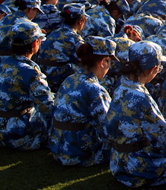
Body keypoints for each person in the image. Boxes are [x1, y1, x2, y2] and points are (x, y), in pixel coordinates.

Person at [104, 41, 166, 187]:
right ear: (152, 69)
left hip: (118, 161)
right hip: (136, 167)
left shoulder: (122, 85)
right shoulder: (139, 96)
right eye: (159, 68)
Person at [49, 36, 117, 167]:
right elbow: (108, 128)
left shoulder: (70, 79)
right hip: (79, 154)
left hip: (58, 147)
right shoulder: (95, 89)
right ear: (103, 62)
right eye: (110, 62)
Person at [0, 20, 54, 151]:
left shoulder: (5, 63)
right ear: (35, 43)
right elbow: (48, 106)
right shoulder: (30, 72)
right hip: (19, 134)